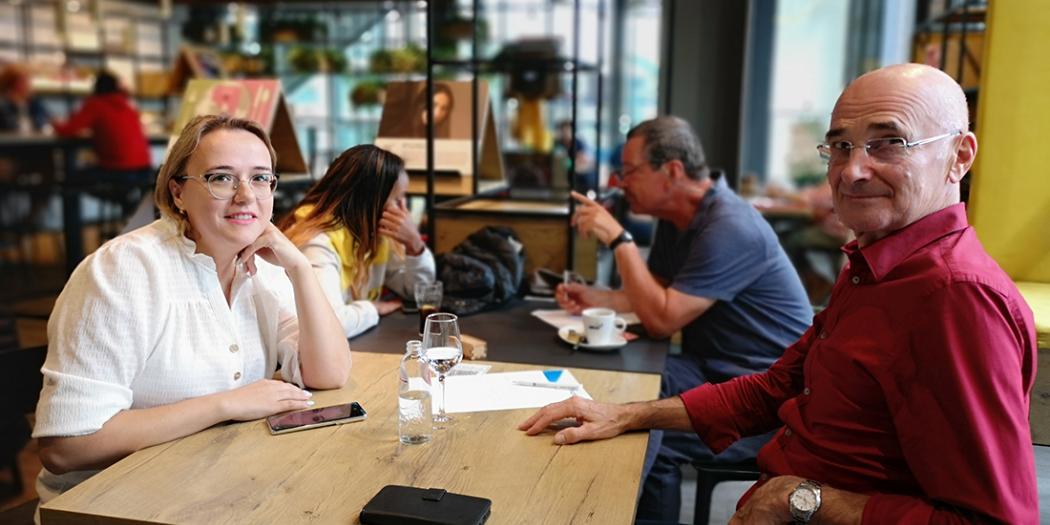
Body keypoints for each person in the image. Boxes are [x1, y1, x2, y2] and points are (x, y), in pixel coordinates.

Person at [522, 64, 1038, 523]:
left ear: (959, 156)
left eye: (888, 143)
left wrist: (803, 499)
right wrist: (627, 413)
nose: (852, 170)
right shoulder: (873, 264)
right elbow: (776, 387)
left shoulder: (955, 299)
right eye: (840, 146)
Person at [33, 115, 351, 506]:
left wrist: (300, 269)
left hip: (220, 486)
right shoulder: (123, 271)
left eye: (260, 178)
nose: (246, 196)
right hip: (112, 507)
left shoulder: (264, 266)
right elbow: (67, 447)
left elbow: (329, 373)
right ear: (178, 193)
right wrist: (226, 404)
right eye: (221, 178)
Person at [558, 116, 813, 521]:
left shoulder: (730, 225)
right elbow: (654, 293)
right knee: (616, 391)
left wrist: (620, 240)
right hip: (713, 372)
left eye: (629, 171)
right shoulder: (677, 221)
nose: (620, 182)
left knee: (638, 427)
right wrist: (597, 298)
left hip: (764, 401)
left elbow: (661, 320)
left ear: (672, 171)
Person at [279, 144, 436, 339]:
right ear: (370, 202)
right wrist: (372, 308)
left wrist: (415, 245)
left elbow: (417, 292)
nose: (403, 210)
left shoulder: (372, 235)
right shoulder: (316, 243)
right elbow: (329, 325)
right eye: (397, 199)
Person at [51, 70, 153, 219]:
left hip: (118, 171)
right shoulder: (127, 105)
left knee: (70, 181)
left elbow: (68, 130)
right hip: (144, 171)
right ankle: (127, 204)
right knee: (104, 183)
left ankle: (74, 236)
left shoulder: (96, 104)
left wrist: (54, 124)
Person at [0, 64, 49, 133]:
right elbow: (11, 127)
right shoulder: (3, 106)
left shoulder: (34, 101)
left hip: (31, 141)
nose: (29, 84)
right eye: (24, 81)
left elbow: (45, 119)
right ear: (13, 84)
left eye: (28, 80)